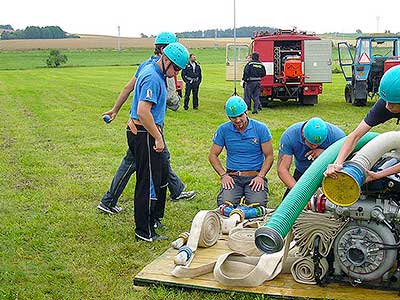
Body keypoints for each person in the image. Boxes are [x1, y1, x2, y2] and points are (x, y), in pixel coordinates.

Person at [98, 32, 196, 218]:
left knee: (136, 162)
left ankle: (109, 200)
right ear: (163, 50)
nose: (177, 71)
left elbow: (129, 89)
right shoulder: (153, 72)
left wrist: (116, 110)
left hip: (145, 125)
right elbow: (144, 105)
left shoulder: (151, 66)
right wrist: (155, 133)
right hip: (146, 127)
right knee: (155, 165)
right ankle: (157, 206)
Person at [128, 42, 190, 242]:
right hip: (145, 134)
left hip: (147, 131)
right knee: (146, 183)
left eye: (179, 70)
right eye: (175, 68)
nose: (176, 74)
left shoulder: (156, 72)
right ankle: (143, 232)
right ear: (165, 59)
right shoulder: (153, 77)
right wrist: (157, 137)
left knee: (158, 177)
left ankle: (153, 221)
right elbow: (143, 111)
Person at [325, 65, 400, 182]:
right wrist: (337, 163)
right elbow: (355, 136)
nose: (386, 106)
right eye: (385, 100)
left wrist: (379, 174)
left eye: (392, 103)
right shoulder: (386, 103)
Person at [208, 96, 274, 207]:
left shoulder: (261, 129)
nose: (238, 120)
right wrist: (224, 175)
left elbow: (269, 156)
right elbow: (213, 155)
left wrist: (260, 176)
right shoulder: (223, 130)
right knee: (225, 204)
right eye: (233, 117)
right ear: (229, 117)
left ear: (246, 111)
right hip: (233, 176)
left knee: (258, 205)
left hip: (254, 176)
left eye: (240, 115)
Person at [278, 117, 345, 199]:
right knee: (287, 207)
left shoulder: (338, 136)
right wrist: (299, 193)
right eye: (311, 143)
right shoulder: (290, 136)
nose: (314, 146)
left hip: (331, 174)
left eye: (319, 144)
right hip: (303, 173)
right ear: (303, 135)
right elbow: (282, 170)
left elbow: (346, 161)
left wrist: (326, 154)